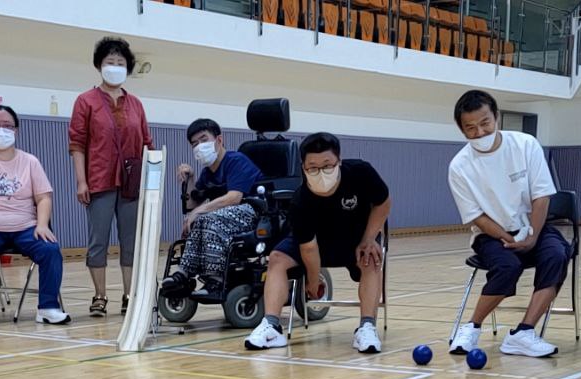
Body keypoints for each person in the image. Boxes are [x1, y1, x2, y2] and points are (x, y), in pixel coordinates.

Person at [445, 90, 568, 359]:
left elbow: (541, 196)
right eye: (471, 128)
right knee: (507, 265)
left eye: (485, 123)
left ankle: (524, 333)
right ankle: (471, 327)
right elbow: (476, 216)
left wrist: (532, 236)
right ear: (461, 128)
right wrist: (507, 238)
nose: (479, 132)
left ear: (497, 117)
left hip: (533, 226)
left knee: (557, 255)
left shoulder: (526, 145)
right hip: (490, 235)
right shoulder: (459, 167)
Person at [245, 132, 391, 354]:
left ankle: (367, 327)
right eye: (313, 167)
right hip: (316, 243)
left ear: (339, 161)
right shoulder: (300, 201)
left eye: (327, 165)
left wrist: (370, 238)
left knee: (371, 258)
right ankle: (271, 327)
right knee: (276, 259)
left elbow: (383, 202)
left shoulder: (361, 173)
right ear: (303, 168)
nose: (321, 173)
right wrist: (313, 282)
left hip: (356, 239)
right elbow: (309, 248)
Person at [0, 104, 69, 328]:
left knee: (50, 249)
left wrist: (43, 224)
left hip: (25, 227)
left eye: (7, 126)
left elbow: (44, 197)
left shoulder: (30, 161)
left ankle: (48, 307)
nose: (1, 130)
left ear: (16, 130)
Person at [69, 36, 154, 317]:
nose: (114, 66)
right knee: (98, 240)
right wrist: (82, 181)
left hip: (131, 183)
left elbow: (147, 144)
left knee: (130, 241)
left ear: (127, 68)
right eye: (109, 62)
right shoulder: (85, 101)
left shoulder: (136, 105)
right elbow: (77, 144)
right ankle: (100, 295)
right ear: (99, 66)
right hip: (99, 180)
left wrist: (152, 181)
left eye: (120, 62)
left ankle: (129, 296)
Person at [161, 119, 263, 300]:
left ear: (219, 140)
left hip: (253, 212)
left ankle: (215, 280)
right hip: (223, 218)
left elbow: (234, 198)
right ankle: (183, 274)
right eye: (195, 144)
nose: (200, 146)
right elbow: (193, 205)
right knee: (203, 218)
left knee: (206, 218)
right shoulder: (207, 172)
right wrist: (191, 179)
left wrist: (199, 212)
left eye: (204, 139)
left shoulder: (236, 160)